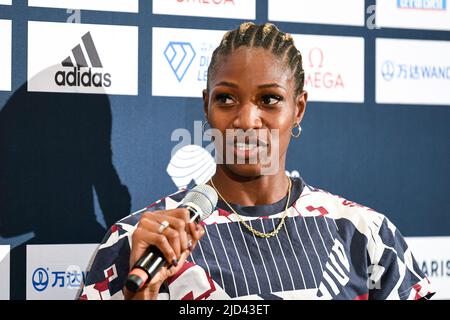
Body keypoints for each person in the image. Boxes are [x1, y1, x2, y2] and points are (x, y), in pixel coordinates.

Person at [79, 22, 434, 300]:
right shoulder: (138, 244)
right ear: (207, 107)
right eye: (227, 98)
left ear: (298, 109)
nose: (247, 120)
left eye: (269, 99)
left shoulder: (367, 234)